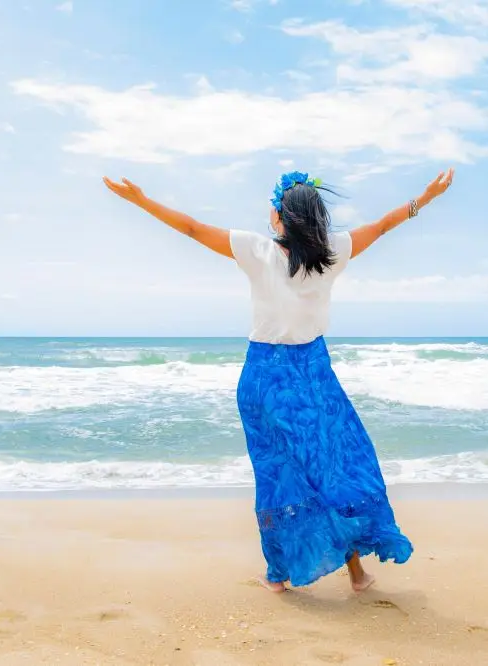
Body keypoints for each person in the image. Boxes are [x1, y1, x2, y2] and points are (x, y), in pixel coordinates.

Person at [102, 168, 456, 592]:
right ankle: (357, 573)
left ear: (281, 217)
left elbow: (194, 229)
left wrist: (141, 200)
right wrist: (427, 197)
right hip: (314, 376)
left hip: (265, 379)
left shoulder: (256, 250)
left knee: (278, 475)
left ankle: (278, 575)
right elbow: (382, 226)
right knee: (334, 467)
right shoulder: (335, 252)